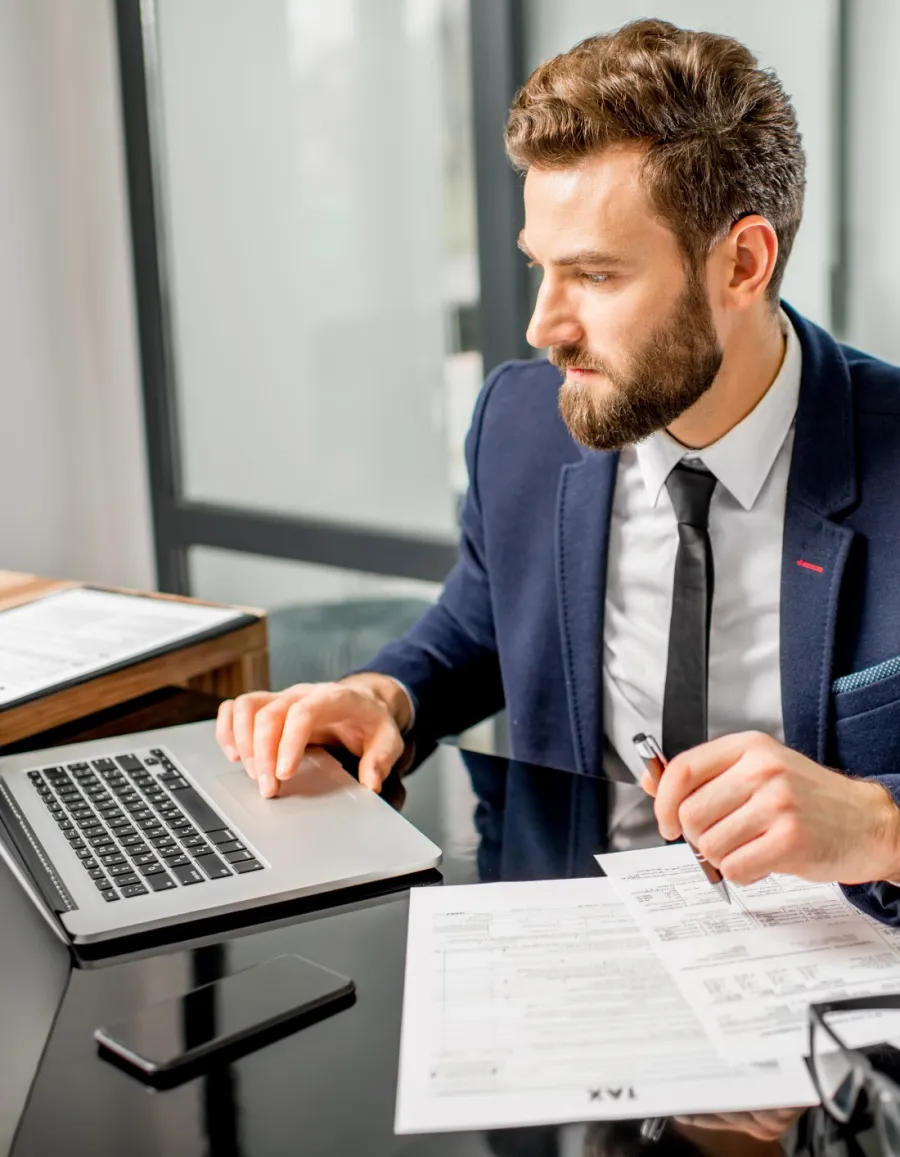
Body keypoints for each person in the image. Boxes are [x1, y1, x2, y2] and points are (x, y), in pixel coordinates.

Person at [215, 19, 900, 923]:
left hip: (829, 972)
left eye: (596, 276)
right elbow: (480, 624)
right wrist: (385, 694)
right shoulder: (521, 425)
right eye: (541, 268)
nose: (544, 326)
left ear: (743, 262)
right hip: (569, 936)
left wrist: (879, 821)